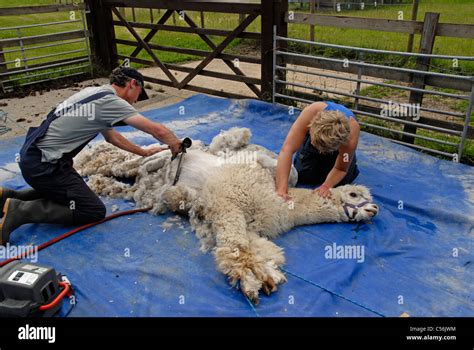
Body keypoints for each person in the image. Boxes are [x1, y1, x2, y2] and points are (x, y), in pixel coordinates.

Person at [0, 66, 182, 245]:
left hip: (32, 157)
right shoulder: (111, 102)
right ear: (133, 84)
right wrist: (176, 144)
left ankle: (9, 197)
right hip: (45, 166)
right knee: (91, 209)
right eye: (139, 94)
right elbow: (155, 129)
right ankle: (21, 211)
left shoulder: (93, 93)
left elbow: (112, 137)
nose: (136, 101)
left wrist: (143, 152)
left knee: (68, 191)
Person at [275, 101, 360, 201]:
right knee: (301, 174)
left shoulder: (351, 134)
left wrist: (326, 186)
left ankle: (343, 164)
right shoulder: (311, 112)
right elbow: (287, 150)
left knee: (343, 182)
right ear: (311, 128)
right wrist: (281, 190)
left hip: (336, 148)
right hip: (315, 143)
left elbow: (341, 168)